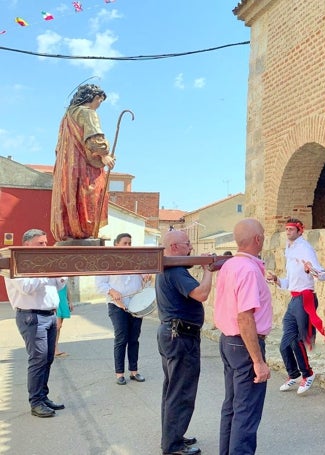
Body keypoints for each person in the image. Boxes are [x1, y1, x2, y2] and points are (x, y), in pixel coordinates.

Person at [214, 219, 273, 455]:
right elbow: (245, 317)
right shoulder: (248, 270)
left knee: (232, 406)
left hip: (228, 341)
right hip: (244, 343)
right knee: (246, 411)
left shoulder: (230, 265)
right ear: (258, 239)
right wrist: (258, 361)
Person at [156, 229, 214, 455]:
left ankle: (172, 437)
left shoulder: (168, 268)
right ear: (173, 248)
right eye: (187, 243)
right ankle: (173, 445)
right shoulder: (177, 270)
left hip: (171, 335)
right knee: (181, 392)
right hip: (180, 337)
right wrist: (208, 271)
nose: (191, 247)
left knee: (172, 389)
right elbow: (201, 294)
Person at [4, 229, 68, 417]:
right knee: (38, 360)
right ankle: (36, 402)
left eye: (45, 242)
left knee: (47, 359)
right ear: (27, 245)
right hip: (31, 317)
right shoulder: (13, 263)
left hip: (49, 315)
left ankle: (43, 396)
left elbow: (57, 285)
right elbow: (27, 287)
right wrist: (47, 270)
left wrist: (61, 274)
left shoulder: (43, 263)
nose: (45, 246)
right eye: (40, 243)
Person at [266, 218, 325, 395]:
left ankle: (308, 374)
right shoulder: (290, 249)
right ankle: (294, 374)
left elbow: (323, 275)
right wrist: (277, 280)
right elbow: (290, 282)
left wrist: (312, 271)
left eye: (291, 229)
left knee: (298, 342)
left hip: (305, 298)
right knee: (285, 344)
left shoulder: (305, 248)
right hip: (294, 299)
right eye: (286, 229)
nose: (288, 232)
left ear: (300, 231)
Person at [51, 83, 115, 242]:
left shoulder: (67, 117)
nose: (99, 104)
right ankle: (86, 230)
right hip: (84, 165)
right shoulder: (87, 112)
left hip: (67, 166)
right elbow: (94, 140)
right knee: (91, 193)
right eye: (100, 99)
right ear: (93, 97)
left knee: (72, 194)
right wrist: (104, 155)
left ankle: (72, 229)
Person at [95, 233, 151, 385]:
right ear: (116, 244)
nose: (128, 246)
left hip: (136, 305)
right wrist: (112, 291)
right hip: (117, 305)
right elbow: (100, 284)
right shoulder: (107, 262)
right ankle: (119, 373)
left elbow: (145, 276)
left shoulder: (136, 260)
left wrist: (147, 276)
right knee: (121, 338)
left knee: (134, 338)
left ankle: (134, 371)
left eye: (130, 243)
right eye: (125, 243)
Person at [54, 284, 73, 357]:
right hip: (55, 301)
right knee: (57, 326)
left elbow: (67, 288)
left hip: (63, 301)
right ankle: (54, 350)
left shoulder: (63, 276)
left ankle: (55, 349)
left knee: (59, 327)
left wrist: (70, 301)